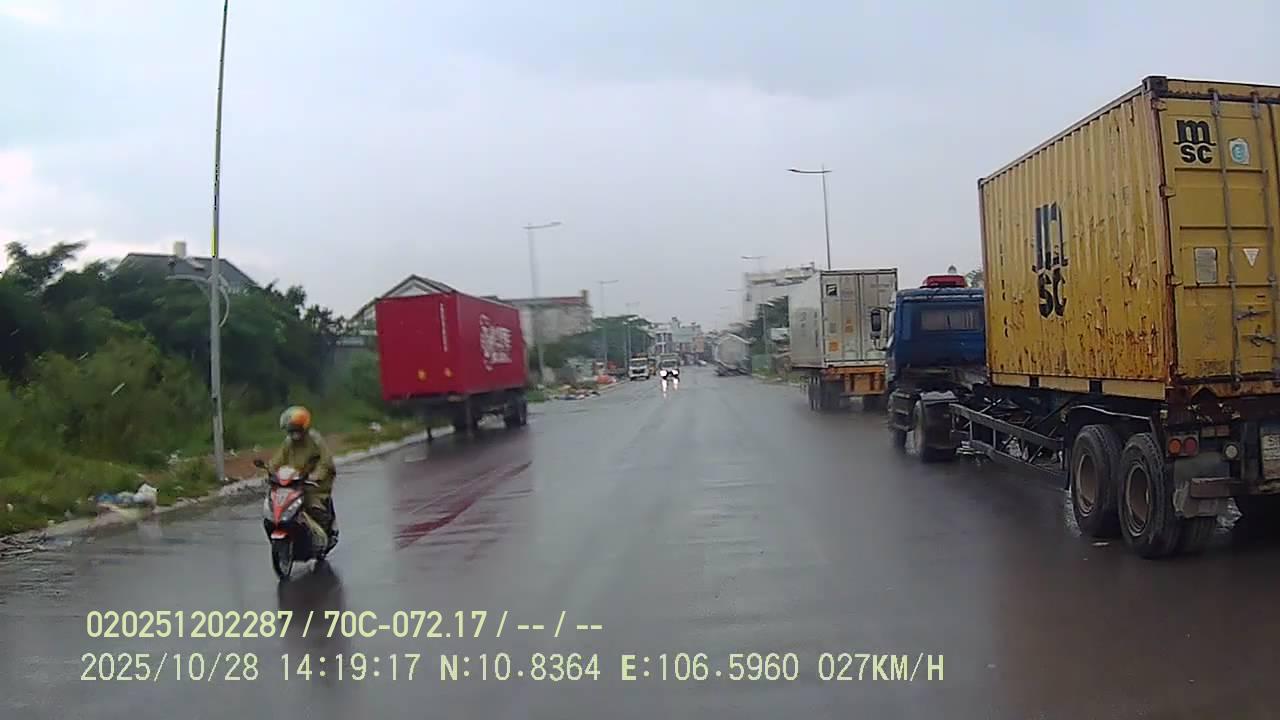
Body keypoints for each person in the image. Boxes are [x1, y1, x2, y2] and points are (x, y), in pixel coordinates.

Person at [269, 406, 338, 543]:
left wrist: (316, 475)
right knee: (276, 508)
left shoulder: (315, 440)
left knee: (314, 507)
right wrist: (270, 471)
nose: (293, 433)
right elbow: (277, 460)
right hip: (293, 482)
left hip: (314, 484)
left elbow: (326, 461)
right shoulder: (288, 443)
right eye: (290, 429)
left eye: (296, 429)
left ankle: (325, 535)